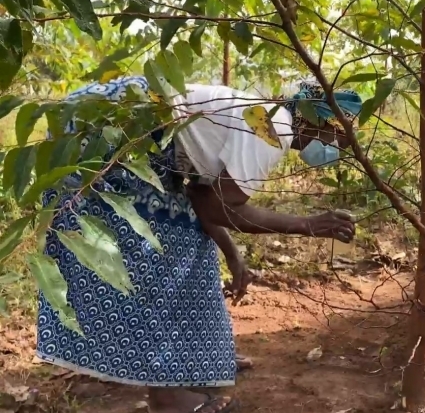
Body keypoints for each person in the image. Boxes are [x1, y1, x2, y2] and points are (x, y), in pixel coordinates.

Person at [37, 76, 363, 413]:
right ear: (317, 121)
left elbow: (200, 198)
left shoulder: (264, 117)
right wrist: (308, 224)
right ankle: (170, 393)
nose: (335, 150)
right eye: (338, 138)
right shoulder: (273, 125)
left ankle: (190, 363)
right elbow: (218, 208)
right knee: (157, 263)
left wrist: (233, 255)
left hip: (121, 128)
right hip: (109, 134)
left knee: (185, 246)